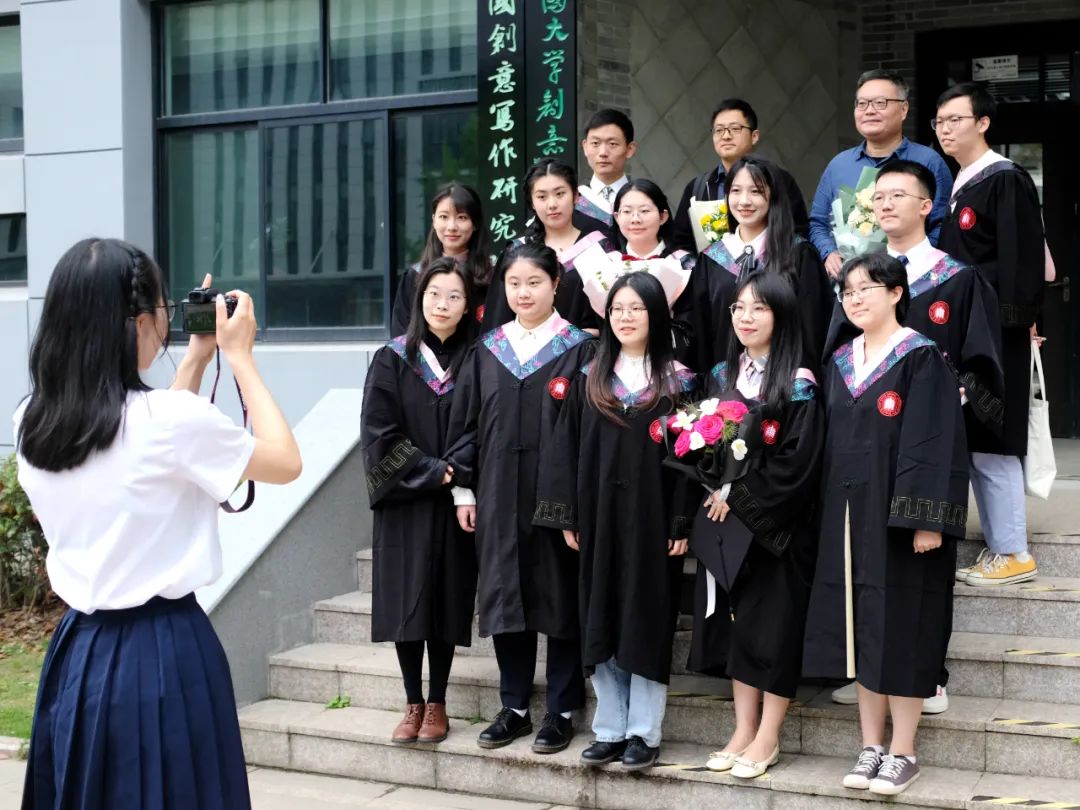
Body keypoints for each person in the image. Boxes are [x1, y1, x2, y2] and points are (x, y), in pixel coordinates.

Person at [16, 239, 302, 809]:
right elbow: (285, 462)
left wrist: (195, 359)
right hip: (166, 651)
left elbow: (148, 449)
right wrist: (240, 358)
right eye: (164, 307)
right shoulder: (169, 422)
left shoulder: (34, 419)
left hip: (80, 652)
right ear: (140, 322)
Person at [826, 159, 1006, 715]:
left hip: (930, 444)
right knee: (865, 559)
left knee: (919, 563)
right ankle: (868, 669)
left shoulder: (958, 278)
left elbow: (984, 365)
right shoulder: (860, 282)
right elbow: (836, 355)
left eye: (898, 195)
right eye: (877, 197)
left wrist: (947, 402)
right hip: (866, 447)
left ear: (927, 206)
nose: (885, 205)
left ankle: (929, 673)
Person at [803, 253, 969, 796]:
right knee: (861, 629)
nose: (854, 299)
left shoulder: (920, 356)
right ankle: (871, 745)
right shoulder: (840, 361)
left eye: (866, 289)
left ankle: (904, 751)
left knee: (901, 628)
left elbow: (935, 442)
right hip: (846, 514)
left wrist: (927, 520)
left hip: (899, 521)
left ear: (896, 293)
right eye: (847, 291)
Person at [534, 272, 695, 772]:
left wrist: (680, 522)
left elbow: (692, 461)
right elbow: (563, 449)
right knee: (600, 614)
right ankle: (610, 728)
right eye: (618, 309)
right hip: (599, 517)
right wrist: (568, 514)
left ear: (656, 315)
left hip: (652, 523)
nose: (626, 317)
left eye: (637, 308)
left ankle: (644, 732)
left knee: (646, 618)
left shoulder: (679, 381)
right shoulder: (590, 377)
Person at [446, 242, 596, 755]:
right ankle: (513, 706)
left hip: (558, 499)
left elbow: (588, 432)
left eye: (534, 282)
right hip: (497, 493)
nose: (524, 292)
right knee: (505, 595)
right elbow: (466, 426)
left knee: (560, 597)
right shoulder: (488, 350)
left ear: (556, 284)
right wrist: (464, 490)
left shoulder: (579, 348)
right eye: (514, 283)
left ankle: (562, 709)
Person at [688, 273, 824, 780]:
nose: (745, 318)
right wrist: (711, 484)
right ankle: (743, 728)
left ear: (781, 315)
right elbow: (699, 443)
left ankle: (769, 733)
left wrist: (739, 497)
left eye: (759, 308)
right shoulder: (722, 373)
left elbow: (799, 461)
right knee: (736, 627)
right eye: (738, 308)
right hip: (724, 525)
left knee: (773, 628)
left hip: (775, 529)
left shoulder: (799, 380)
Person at [361, 257, 479, 746]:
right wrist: (436, 471)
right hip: (406, 502)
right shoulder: (391, 359)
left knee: (446, 599)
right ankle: (412, 701)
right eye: (434, 294)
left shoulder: (479, 359)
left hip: (453, 504)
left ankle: (438, 702)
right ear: (419, 299)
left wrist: (457, 475)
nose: (442, 304)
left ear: (468, 305)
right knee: (406, 601)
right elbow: (378, 433)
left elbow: (482, 427)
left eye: (453, 296)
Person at [935, 81, 1045, 586]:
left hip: (996, 331)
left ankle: (1014, 551)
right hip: (969, 330)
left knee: (995, 438)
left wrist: (1012, 324)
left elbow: (1020, 258)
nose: (945, 129)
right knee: (979, 437)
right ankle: (1002, 546)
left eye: (955, 119)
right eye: (940, 121)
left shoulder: (1005, 178)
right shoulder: (962, 182)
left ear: (982, 123)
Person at [678, 156, 832, 375]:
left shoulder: (798, 255)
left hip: (785, 384)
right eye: (736, 191)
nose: (744, 201)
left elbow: (812, 329)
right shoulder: (712, 259)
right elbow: (701, 333)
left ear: (774, 196)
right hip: (724, 385)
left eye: (756, 192)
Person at [809, 69, 953, 279]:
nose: (869, 111)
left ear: (903, 109)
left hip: (913, 280)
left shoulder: (929, 162)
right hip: (850, 283)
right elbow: (818, 223)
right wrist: (828, 253)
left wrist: (907, 262)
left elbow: (942, 225)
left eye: (880, 103)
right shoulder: (839, 165)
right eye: (862, 103)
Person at [482, 158, 614, 332]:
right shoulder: (517, 251)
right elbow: (498, 319)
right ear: (532, 202)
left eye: (560, 194)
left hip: (585, 347)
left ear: (575, 196)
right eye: (542, 197)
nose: (552, 204)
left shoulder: (599, 249)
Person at [571, 179, 696, 359]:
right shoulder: (603, 264)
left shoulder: (684, 265)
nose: (635, 219)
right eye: (627, 211)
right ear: (616, 217)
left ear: (663, 216)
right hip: (614, 363)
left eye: (644, 211)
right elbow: (591, 325)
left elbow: (694, 324)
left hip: (670, 360)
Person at [670, 99, 810, 253]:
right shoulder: (699, 187)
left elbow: (798, 233)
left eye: (735, 129)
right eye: (719, 130)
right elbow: (680, 244)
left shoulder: (778, 180)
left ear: (754, 136)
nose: (726, 136)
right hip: (713, 267)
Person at [390, 184, 495, 334]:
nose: (451, 227)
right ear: (434, 220)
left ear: (475, 223)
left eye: (462, 217)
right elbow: (400, 334)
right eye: (443, 217)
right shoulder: (415, 276)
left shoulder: (492, 276)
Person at [576, 109, 638, 227]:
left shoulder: (645, 200)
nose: (603, 153)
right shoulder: (573, 201)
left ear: (630, 149)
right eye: (595, 143)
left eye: (612, 144)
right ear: (585, 147)